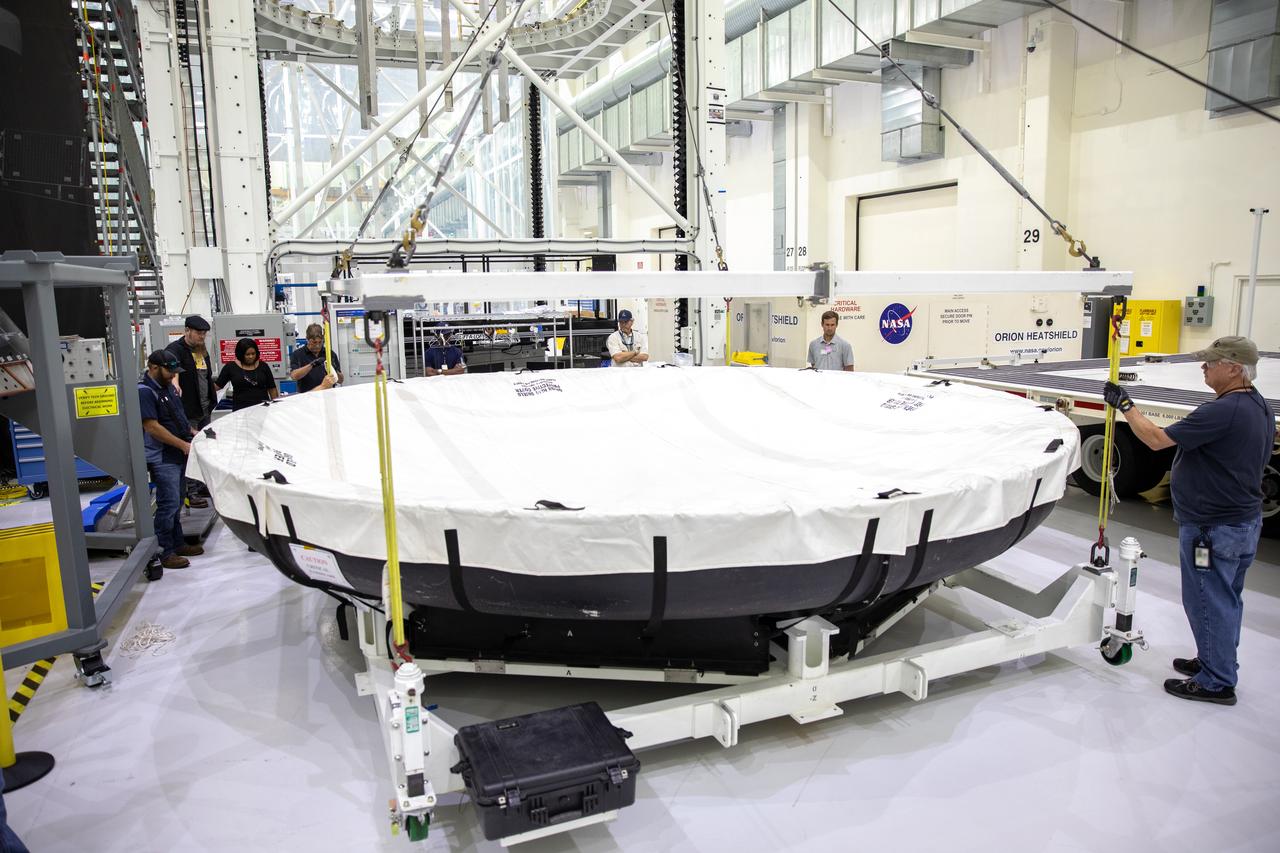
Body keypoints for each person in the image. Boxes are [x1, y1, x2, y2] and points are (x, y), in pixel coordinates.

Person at [1105, 335, 1275, 706]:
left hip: (1212, 531)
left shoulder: (1223, 411)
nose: (1203, 367)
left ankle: (1216, 681)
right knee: (1225, 597)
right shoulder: (1258, 405)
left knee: (1206, 599)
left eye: (1211, 362)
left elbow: (1155, 440)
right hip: (1241, 524)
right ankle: (1215, 660)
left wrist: (1125, 405)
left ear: (1234, 368)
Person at [138, 350, 204, 569]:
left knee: (177, 502)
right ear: (153, 367)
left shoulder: (167, 388)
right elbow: (152, 427)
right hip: (162, 456)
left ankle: (177, 543)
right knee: (168, 504)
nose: (173, 375)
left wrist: (192, 433)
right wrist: (182, 445)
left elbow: (177, 417)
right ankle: (164, 551)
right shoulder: (145, 392)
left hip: (176, 453)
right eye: (169, 371)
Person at [216, 338, 279, 411]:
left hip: (262, 409)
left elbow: (272, 389)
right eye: (247, 354)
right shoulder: (230, 367)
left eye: (253, 354)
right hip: (240, 410)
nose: (251, 357)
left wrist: (276, 408)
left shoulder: (264, 366)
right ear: (241, 354)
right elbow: (217, 386)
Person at [289, 323, 343, 392]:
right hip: (307, 395)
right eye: (314, 342)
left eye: (320, 342)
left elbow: (340, 380)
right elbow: (294, 376)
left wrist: (335, 370)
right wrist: (312, 365)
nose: (317, 346)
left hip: (328, 395)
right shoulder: (298, 354)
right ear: (307, 339)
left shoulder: (330, 354)